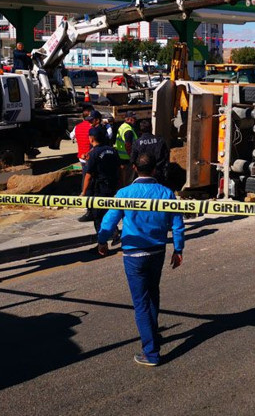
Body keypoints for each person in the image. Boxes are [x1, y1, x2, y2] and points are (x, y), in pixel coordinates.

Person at [97, 153, 185, 366]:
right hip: (157, 252)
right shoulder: (166, 193)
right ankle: (152, 335)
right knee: (152, 295)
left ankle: (151, 352)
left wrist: (102, 240)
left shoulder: (124, 193)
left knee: (141, 303)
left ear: (135, 168)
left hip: (134, 254)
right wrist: (178, 248)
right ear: (154, 170)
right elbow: (177, 222)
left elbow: (110, 219)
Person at [81, 126, 120, 239]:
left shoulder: (94, 154)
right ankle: (114, 232)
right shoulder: (112, 151)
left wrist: (84, 192)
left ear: (91, 139)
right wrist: (120, 185)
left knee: (97, 216)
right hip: (112, 186)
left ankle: (102, 244)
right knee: (108, 212)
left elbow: (88, 176)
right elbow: (119, 168)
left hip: (99, 188)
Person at [131, 118, 170, 187]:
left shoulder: (137, 143)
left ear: (140, 130)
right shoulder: (160, 140)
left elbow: (133, 160)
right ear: (151, 128)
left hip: (143, 174)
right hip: (158, 173)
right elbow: (166, 158)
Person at [115, 112, 139, 186]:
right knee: (128, 180)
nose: (135, 120)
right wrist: (132, 158)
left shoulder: (123, 126)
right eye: (133, 118)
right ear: (128, 119)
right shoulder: (128, 130)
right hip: (127, 159)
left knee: (122, 179)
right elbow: (128, 145)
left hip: (121, 157)